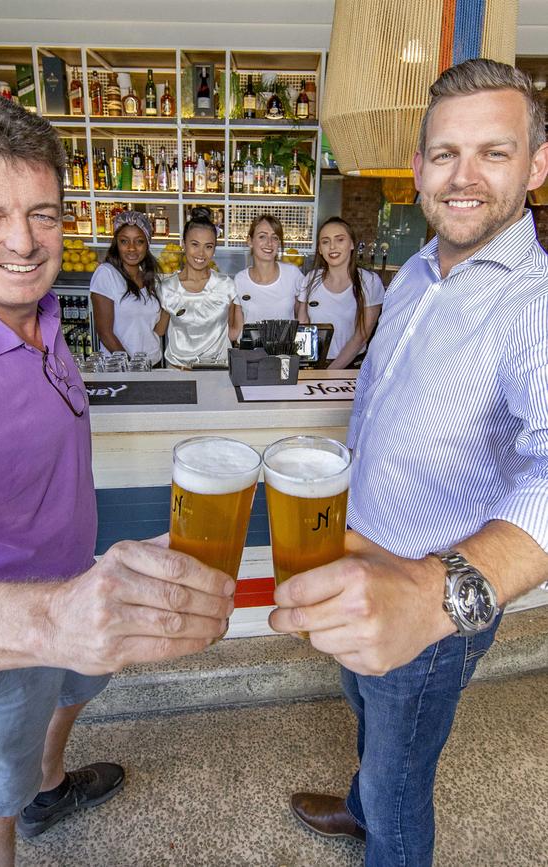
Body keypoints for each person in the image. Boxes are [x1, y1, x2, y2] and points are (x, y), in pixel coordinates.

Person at [0, 93, 234, 867]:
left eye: (42, 214)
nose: (22, 241)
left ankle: (50, 789)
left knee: (69, 698)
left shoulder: (38, 308)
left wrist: (80, 600)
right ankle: (25, 802)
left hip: (70, 586)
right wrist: (55, 619)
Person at [271, 59, 548, 866]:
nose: (462, 178)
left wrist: (437, 593)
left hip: (436, 599)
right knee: (362, 702)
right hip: (362, 559)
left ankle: (378, 820)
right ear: (419, 166)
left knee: (401, 782)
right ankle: (358, 806)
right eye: (443, 155)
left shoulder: (534, 305)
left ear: (536, 164)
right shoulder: (419, 271)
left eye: (493, 153)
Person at [157, 207, 243, 368]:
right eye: (195, 244)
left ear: (214, 250)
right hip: (178, 374)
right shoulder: (168, 288)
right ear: (183, 244)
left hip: (218, 375)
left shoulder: (226, 286)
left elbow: (231, 331)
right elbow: (159, 331)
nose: (201, 253)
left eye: (208, 246)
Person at [297, 217, 384, 368]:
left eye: (340, 240)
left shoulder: (369, 281)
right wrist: (304, 367)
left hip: (351, 367)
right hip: (313, 366)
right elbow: (303, 325)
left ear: (351, 244)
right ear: (319, 249)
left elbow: (361, 336)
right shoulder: (311, 279)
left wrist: (329, 372)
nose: (332, 246)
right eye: (325, 241)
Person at [90, 210, 163, 365]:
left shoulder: (150, 279)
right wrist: (131, 366)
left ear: (147, 244)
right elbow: (105, 333)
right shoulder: (106, 274)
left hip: (153, 364)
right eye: (124, 241)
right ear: (116, 243)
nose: (131, 248)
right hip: (121, 369)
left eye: (139, 241)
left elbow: (156, 329)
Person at [233, 213, 303, 322]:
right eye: (262, 236)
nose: (269, 243)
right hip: (251, 340)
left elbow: (304, 319)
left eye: (275, 238)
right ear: (250, 241)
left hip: (287, 340)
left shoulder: (292, 274)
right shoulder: (240, 280)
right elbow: (238, 329)